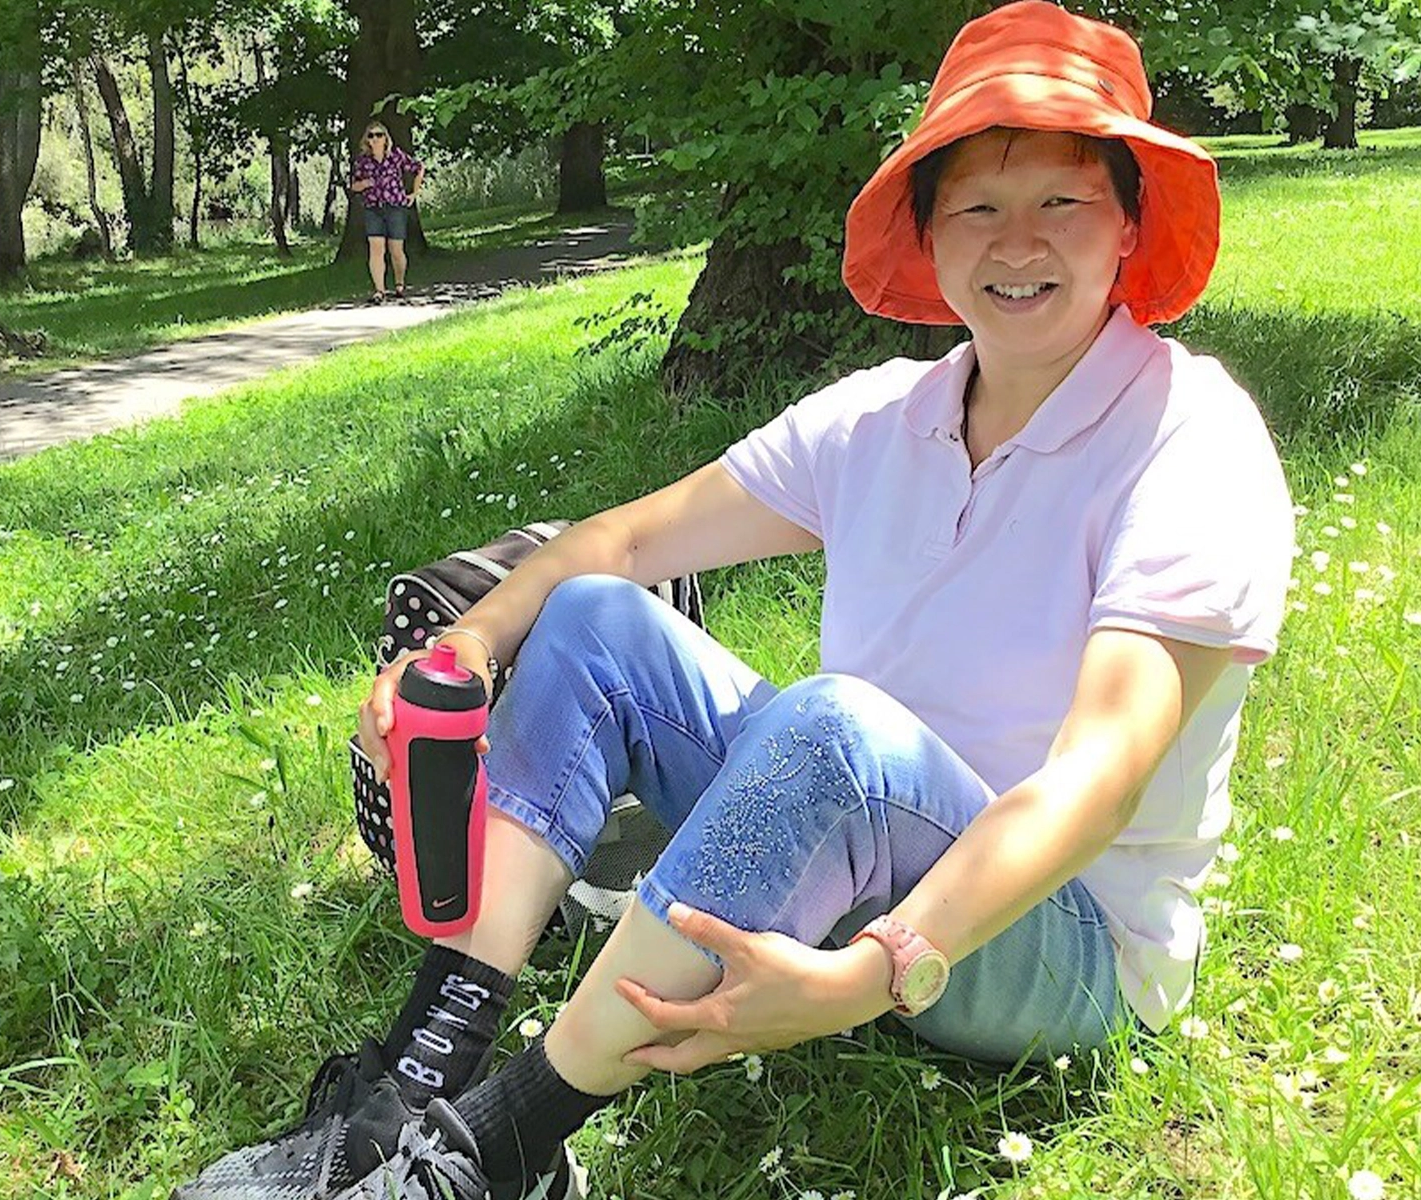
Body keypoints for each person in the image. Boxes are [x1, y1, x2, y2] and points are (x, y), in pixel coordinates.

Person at [172, 4, 1295, 1199]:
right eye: (978, 204)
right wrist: (468, 641)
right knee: (596, 615)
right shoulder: (884, 419)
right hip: (848, 832)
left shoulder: (1187, 436)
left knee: (838, 728)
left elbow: (1097, 778)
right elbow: (635, 536)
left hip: (1056, 945)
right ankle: (419, 1070)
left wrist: (875, 974)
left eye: (1064, 200)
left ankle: (496, 1149)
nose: (1019, 243)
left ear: (1127, 222)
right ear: (929, 230)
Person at [350, 121, 423, 305]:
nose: (375, 139)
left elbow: (418, 168)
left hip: (395, 207)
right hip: (373, 208)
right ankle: (379, 290)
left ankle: (399, 284)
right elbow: (354, 185)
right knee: (376, 249)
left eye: (379, 135)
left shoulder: (395, 156)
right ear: (367, 140)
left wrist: (413, 193)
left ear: (385, 138)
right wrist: (364, 184)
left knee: (396, 250)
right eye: (371, 136)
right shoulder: (363, 162)